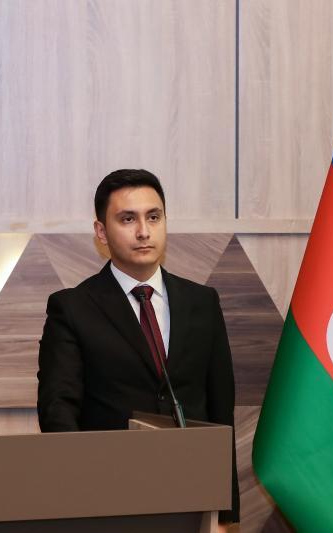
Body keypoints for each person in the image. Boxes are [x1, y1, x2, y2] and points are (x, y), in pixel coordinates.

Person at [37, 169, 239, 526]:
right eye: (128, 219)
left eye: (154, 217)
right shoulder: (72, 308)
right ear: (101, 232)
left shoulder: (202, 302)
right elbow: (58, 413)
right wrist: (78, 502)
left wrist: (225, 513)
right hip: (108, 500)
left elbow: (221, 411)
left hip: (192, 496)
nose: (144, 231)